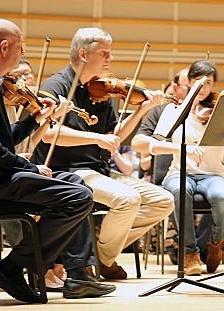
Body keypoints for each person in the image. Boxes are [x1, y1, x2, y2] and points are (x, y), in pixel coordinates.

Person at [0, 18, 113, 302]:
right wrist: (31, 168)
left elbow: (1, 140)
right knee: (77, 197)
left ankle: (66, 271)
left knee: (75, 183)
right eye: (21, 47)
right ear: (4, 47)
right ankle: (13, 267)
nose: (23, 53)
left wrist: (35, 121)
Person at [32, 28, 173, 281]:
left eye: (110, 53)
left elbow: (114, 137)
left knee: (163, 200)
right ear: (84, 54)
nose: (109, 58)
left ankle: (98, 256)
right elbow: (48, 134)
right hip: (67, 172)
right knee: (127, 200)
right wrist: (97, 137)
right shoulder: (56, 85)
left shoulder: (101, 91)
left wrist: (142, 111)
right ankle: (92, 260)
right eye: (104, 53)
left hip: (99, 170)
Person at [149, 60, 224, 275]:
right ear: (188, 81)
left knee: (222, 197)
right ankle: (190, 253)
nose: (203, 87)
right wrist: (182, 148)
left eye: (208, 83)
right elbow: (154, 145)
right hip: (180, 173)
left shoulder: (220, 112)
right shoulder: (174, 110)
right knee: (179, 190)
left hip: (214, 174)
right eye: (198, 81)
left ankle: (216, 243)